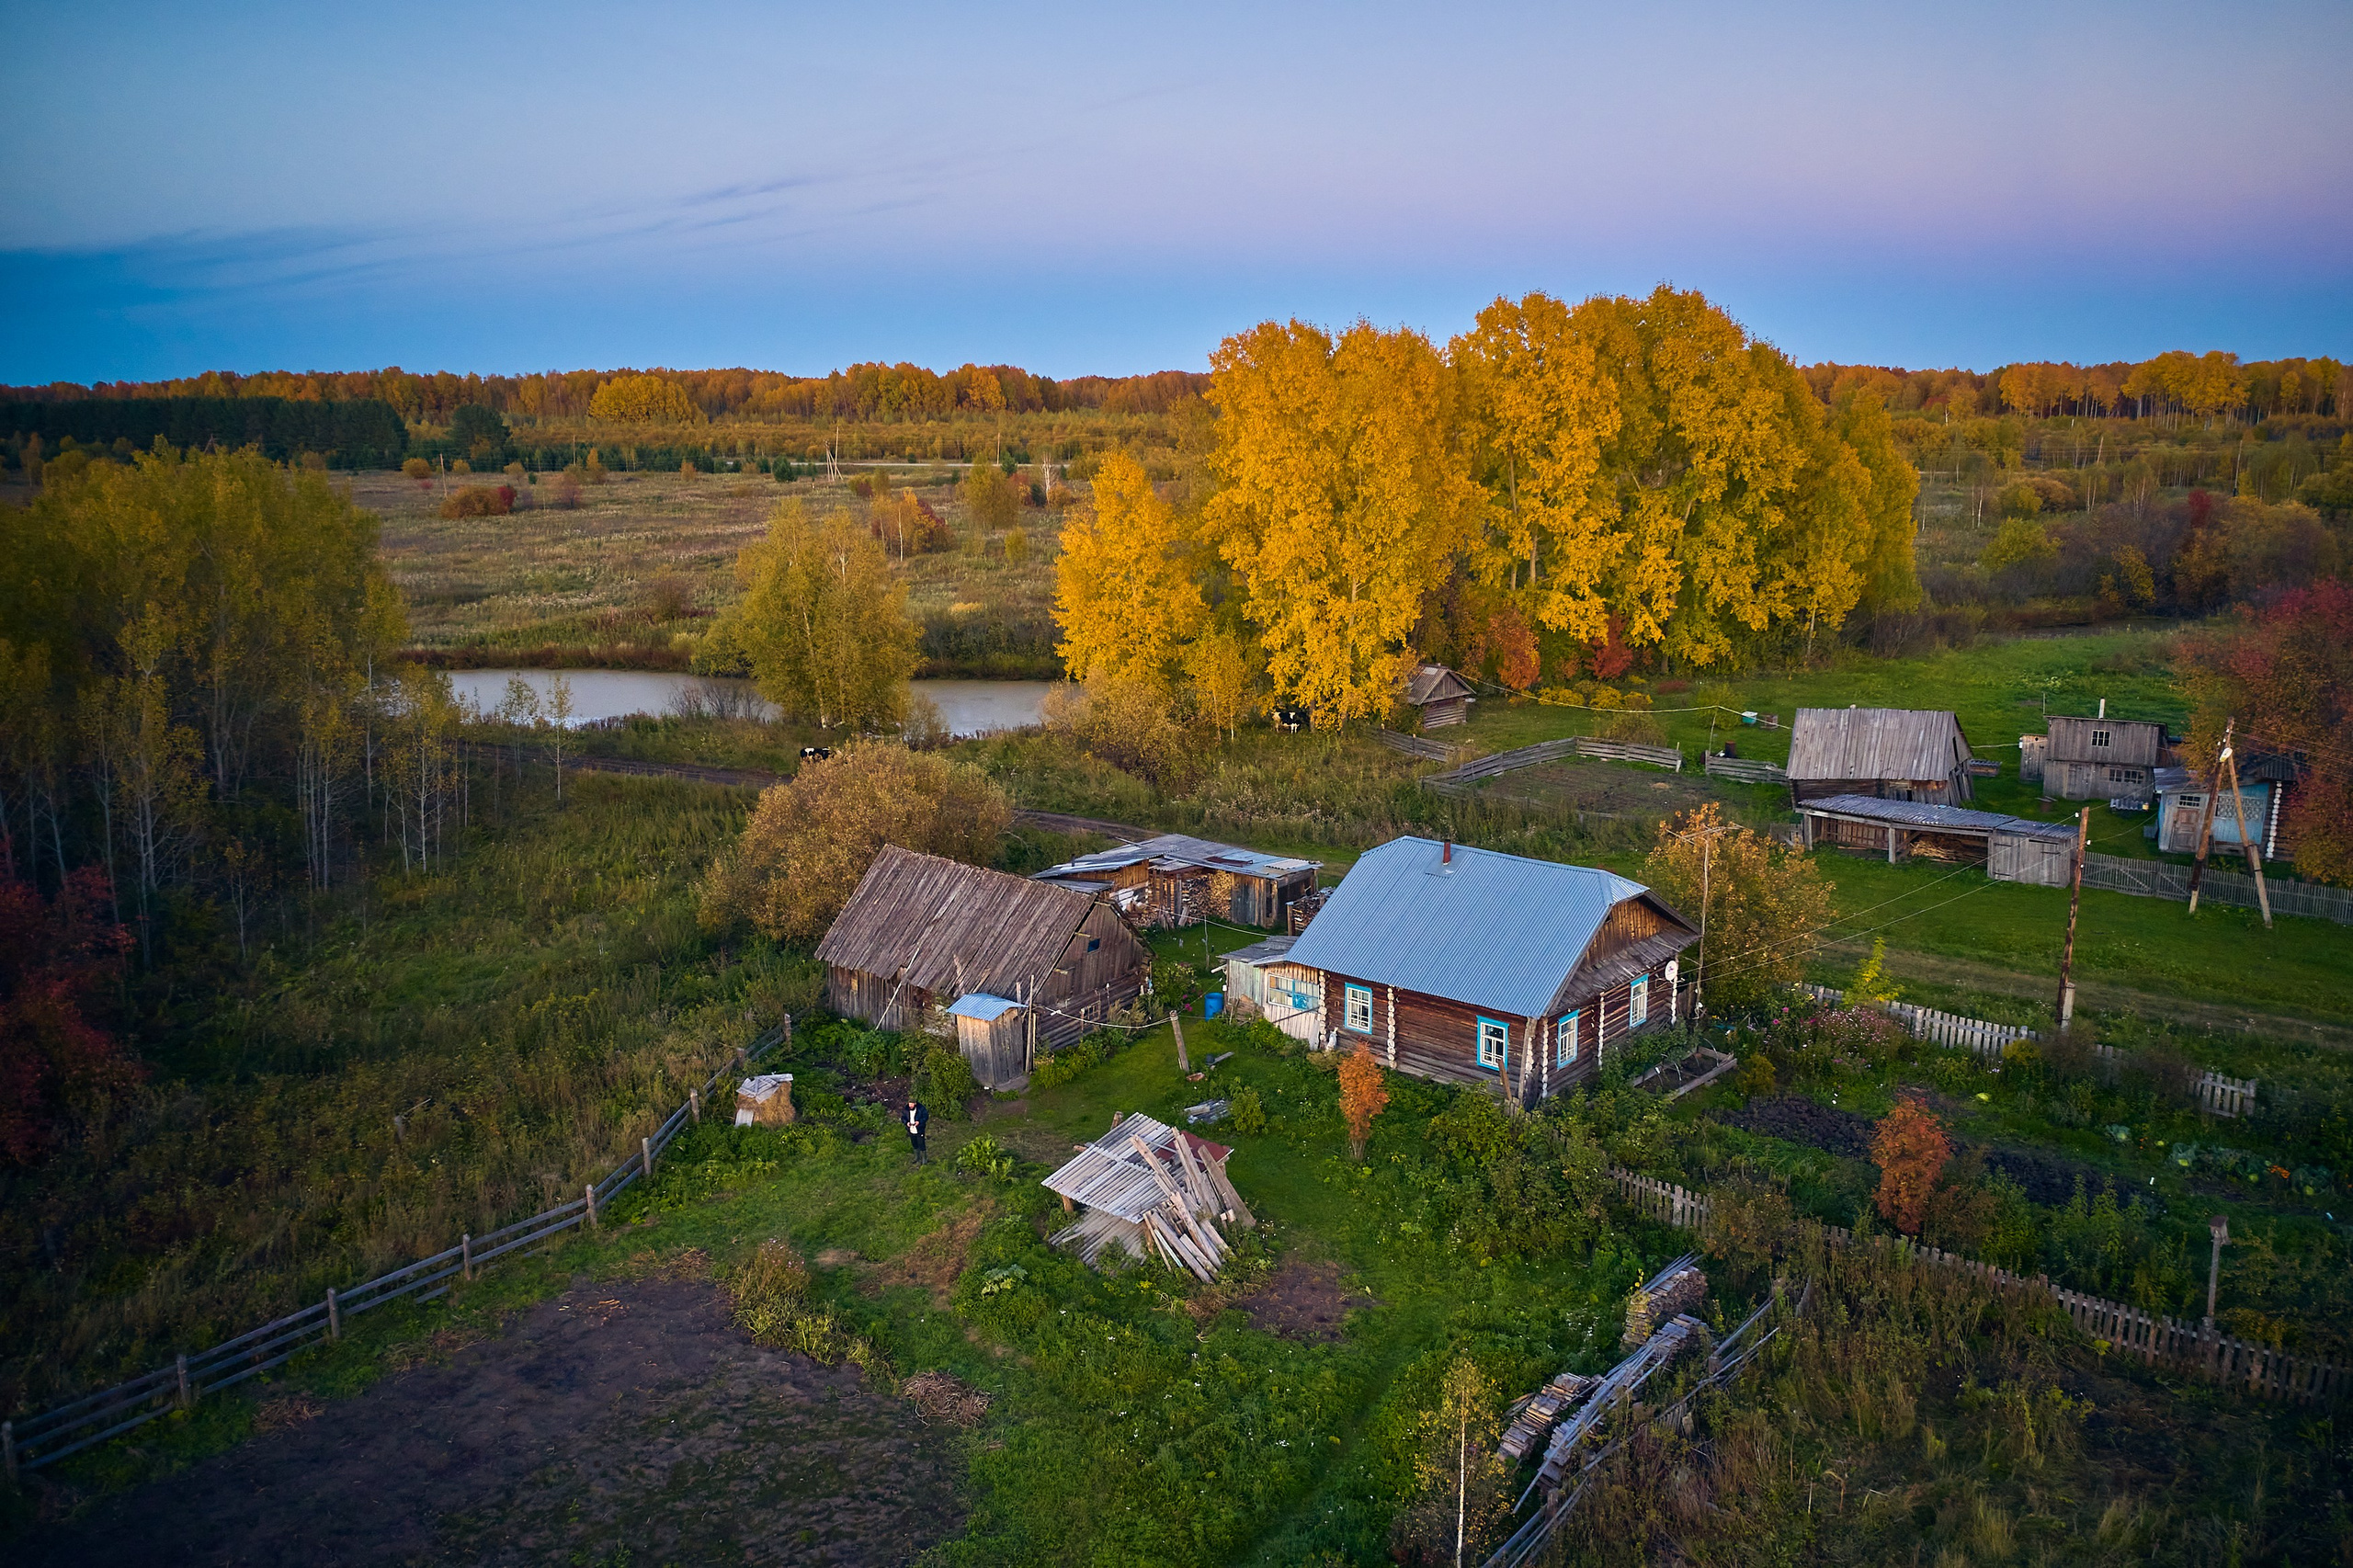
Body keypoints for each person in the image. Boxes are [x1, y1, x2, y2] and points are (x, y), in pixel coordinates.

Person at [904, 1096, 929, 1165]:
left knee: (921, 1143)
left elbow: (926, 1117)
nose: (911, 1105)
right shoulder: (906, 1109)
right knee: (914, 1143)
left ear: (915, 1103)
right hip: (911, 1129)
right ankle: (917, 1157)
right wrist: (906, 1123)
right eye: (910, 1104)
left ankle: (924, 1159)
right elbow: (903, 1118)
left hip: (919, 1129)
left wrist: (919, 1122)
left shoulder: (921, 1109)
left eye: (912, 1104)